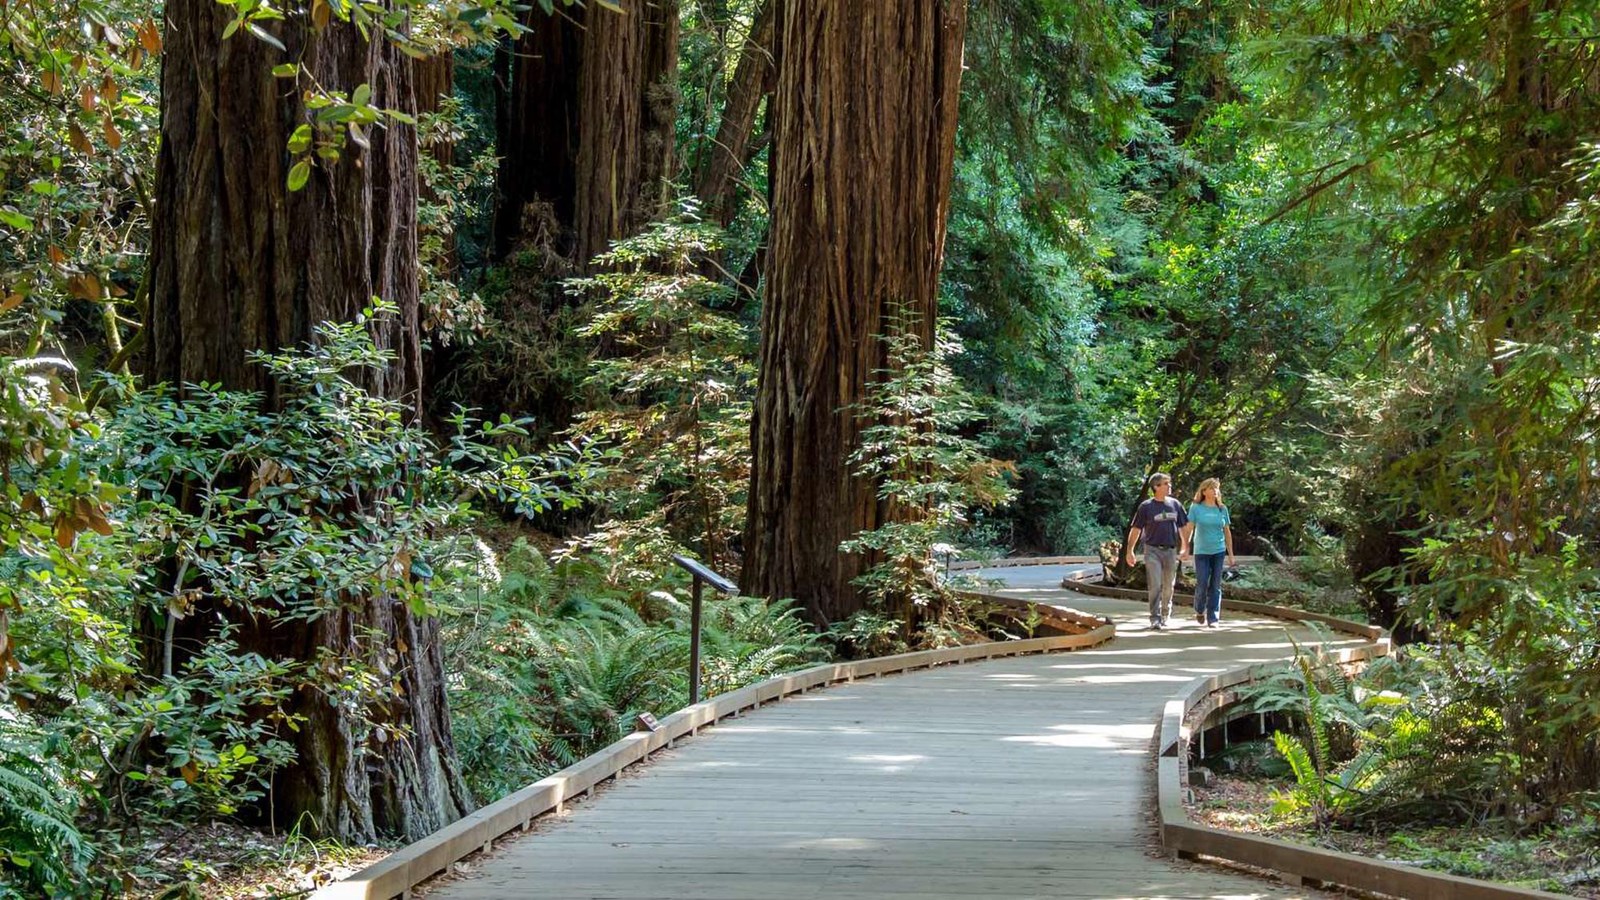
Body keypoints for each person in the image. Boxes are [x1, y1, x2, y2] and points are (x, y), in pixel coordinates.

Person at [1123, 472, 1188, 629]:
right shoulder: (1146, 507)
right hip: (1152, 550)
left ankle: (1166, 613)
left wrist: (1186, 547)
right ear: (1156, 487)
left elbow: (1183, 527)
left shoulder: (1175, 505)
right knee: (1155, 585)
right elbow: (1136, 529)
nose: (1169, 486)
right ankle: (1155, 617)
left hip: (1171, 550)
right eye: (1166, 483)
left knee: (1169, 585)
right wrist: (1129, 550)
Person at [1181, 477, 1235, 627]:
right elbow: (1189, 529)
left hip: (1218, 551)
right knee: (1202, 582)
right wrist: (1186, 548)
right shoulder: (1196, 508)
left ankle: (1213, 618)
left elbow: (1227, 532)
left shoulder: (1222, 509)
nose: (1215, 490)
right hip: (1201, 552)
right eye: (1212, 488)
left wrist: (1230, 554)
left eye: (1217, 488)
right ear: (1204, 491)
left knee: (1216, 585)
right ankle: (1199, 609)